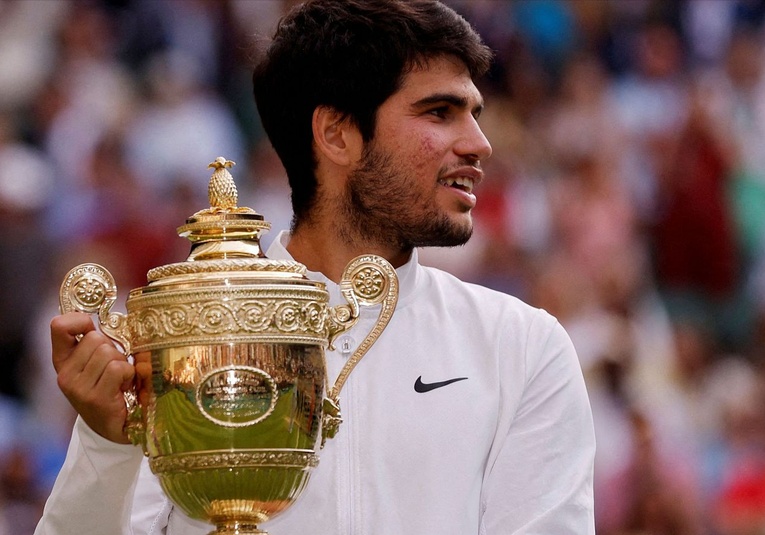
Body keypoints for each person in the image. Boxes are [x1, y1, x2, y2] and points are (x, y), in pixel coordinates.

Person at [35, 1, 595, 533]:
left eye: (475, 114)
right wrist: (107, 444)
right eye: (440, 112)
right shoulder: (182, 338)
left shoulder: (522, 347)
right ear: (336, 134)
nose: (480, 144)